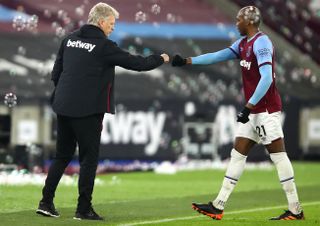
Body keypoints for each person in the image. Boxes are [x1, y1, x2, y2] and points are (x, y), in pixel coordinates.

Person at [36, 2, 169, 221]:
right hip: (88, 111)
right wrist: (160, 59)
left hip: (63, 107)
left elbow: (56, 73)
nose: (113, 28)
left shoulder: (69, 40)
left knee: (62, 156)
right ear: (101, 22)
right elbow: (138, 64)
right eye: (111, 23)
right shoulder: (104, 46)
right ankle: (83, 209)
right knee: (89, 159)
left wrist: (68, 95)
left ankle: (45, 202)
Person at [172, 6, 304, 221]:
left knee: (278, 156)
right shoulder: (243, 44)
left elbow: (267, 78)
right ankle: (218, 205)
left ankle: (296, 209)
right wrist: (188, 61)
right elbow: (217, 56)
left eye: (238, 19)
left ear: (249, 22)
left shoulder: (261, 43)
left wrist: (248, 107)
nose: (236, 23)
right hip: (253, 111)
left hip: (265, 110)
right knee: (238, 153)